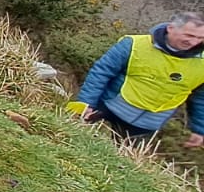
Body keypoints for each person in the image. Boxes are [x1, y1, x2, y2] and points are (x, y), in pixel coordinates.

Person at [73, 11, 204, 147]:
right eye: (189, 35)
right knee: (76, 144)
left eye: (200, 37)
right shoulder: (134, 44)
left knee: (118, 163)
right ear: (170, 28)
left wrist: (199, 130)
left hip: (147, 123)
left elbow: (200, 97)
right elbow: (101, 73)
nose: (194, 42)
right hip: (108, 107)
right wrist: (86, 103)